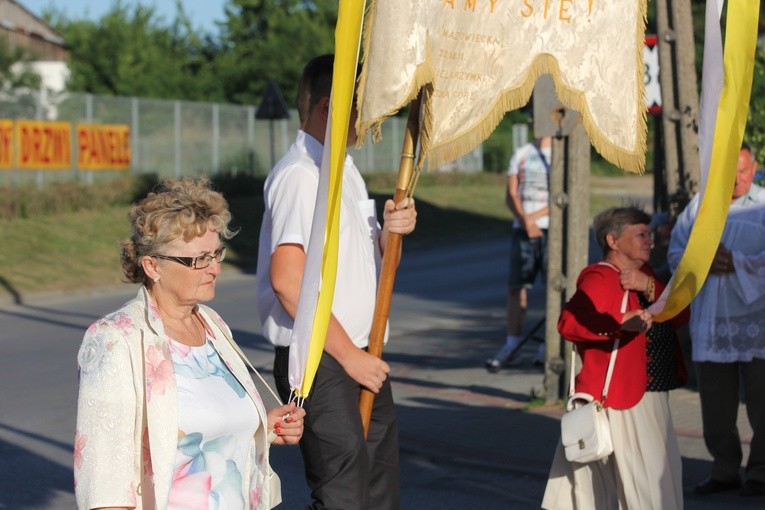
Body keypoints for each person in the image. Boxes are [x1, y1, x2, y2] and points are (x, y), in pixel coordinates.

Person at [74, 177, 305, 510]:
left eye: (216, 255)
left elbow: (197, 435)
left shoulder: (212, 324)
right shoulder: (116, 339)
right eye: (198, 259)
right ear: (152, 266)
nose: (214, 269)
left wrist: (260, 426)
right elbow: (104, 479)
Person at [255, 54, 417, 509]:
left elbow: (367, 267)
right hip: (321, 361)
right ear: (330, 105)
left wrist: (392, 232)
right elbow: (289, 281)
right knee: (344, 497)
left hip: (360, 355)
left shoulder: (344, 170)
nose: (368, 122)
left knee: (378, 493)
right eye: (361, 108)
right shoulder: (300, 177)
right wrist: (349, 358)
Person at [542, 206, 688, 509]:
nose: (649, 240)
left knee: (653, 479)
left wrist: (646, 284)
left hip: (650, 397)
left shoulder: (646, 275)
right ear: (613, 240)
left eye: (649, 234)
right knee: (641, 485)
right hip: (621, 401)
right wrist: (618, 325)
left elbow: (680, 315)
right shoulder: (600, 277)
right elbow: (567, 323)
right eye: (640, 234)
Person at [667, 143, 765, 497]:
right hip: (713, 321)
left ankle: (760, 473)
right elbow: (677, 250)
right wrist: (704, 261)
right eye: (731, 172)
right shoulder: (702, 205)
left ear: (754, 169)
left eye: (743, 171)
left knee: (761, 400)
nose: (737, 179)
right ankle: (724, 470)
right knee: (716, 404)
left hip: (757, 323)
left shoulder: (764, 204)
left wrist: (737, 262)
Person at [486, 135, 552, 371]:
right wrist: (525, 220)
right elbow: (511, 193)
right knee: (516, 287)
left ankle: (549, 345)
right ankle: (512, 343)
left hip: (548, 227)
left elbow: (562, 195)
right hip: (523, 228)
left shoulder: (558, 153)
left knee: (552, 289)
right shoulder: (522, 152)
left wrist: (533, 220)